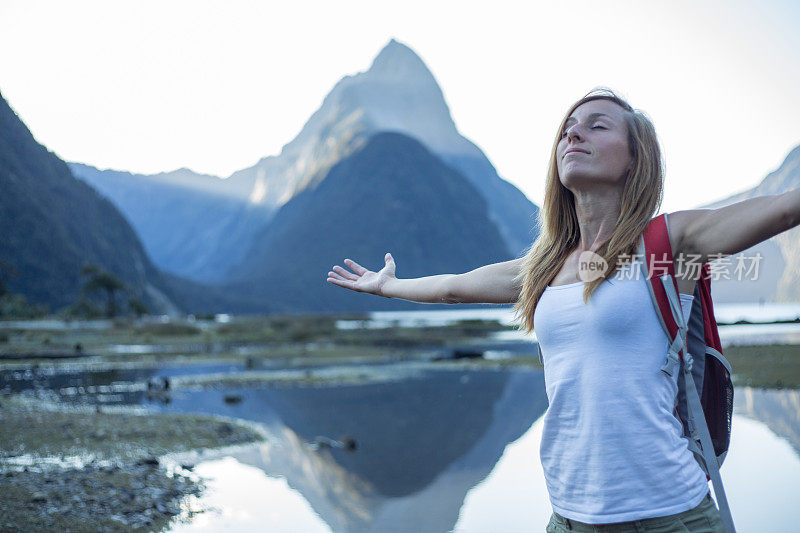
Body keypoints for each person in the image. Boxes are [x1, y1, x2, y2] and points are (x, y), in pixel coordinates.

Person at [325, 88, 800, 532]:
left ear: (636, 157)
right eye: (569, 127)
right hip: (570, 516)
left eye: (597, 126)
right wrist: (388, 287)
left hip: (669, 513)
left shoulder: (669, 245)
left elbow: (782, 210)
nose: (573, 133)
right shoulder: (544, 267)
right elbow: (454, 288)